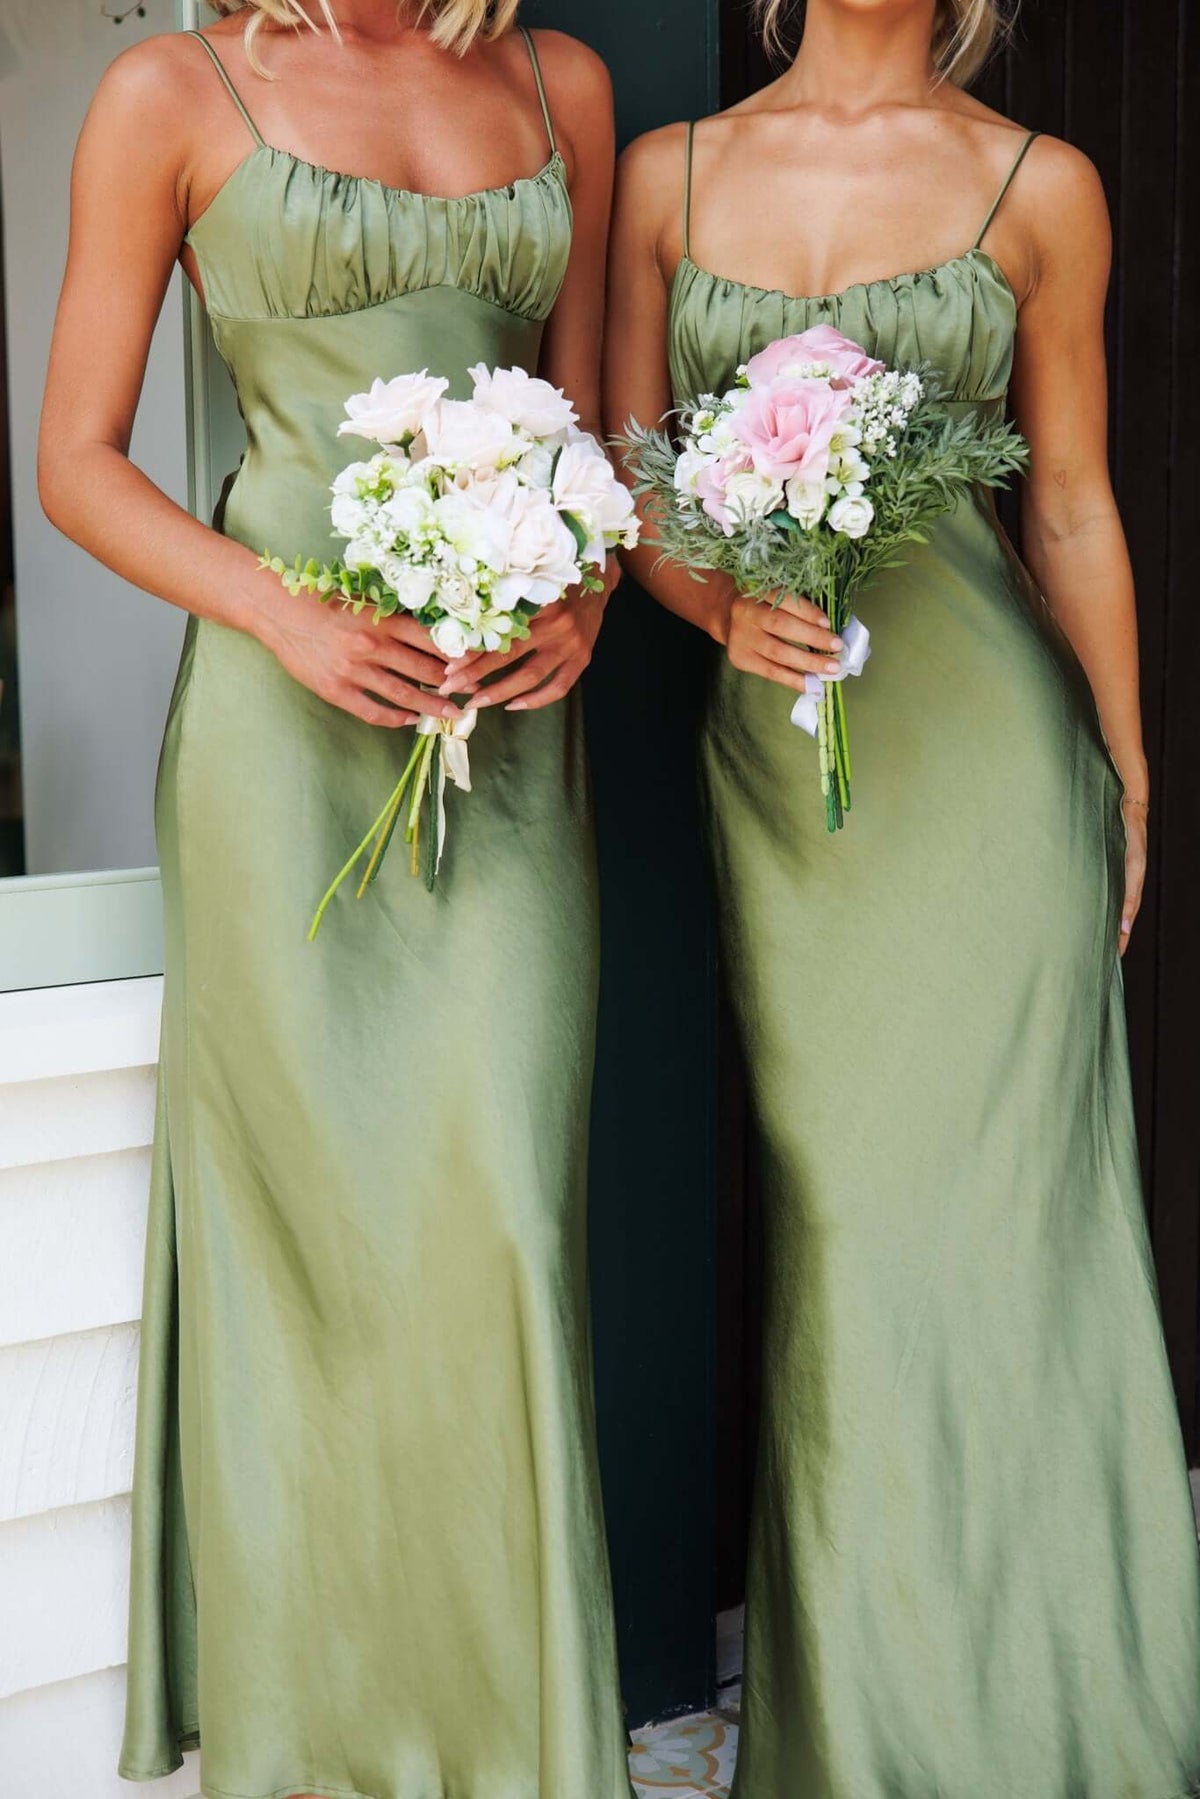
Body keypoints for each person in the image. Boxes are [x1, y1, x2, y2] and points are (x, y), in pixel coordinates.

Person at [606, 0, 1200, 1792]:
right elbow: (634, 484)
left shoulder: (1043, 181)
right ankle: (870, 1731)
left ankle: (1060, 1711)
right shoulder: (665, 172)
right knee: (856, 1238)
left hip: (993, 766)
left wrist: (1125, 754)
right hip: (793, 773)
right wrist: (722, 609)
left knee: (1014, 1234)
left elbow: (1074, 504)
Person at [39, 5, 632, 1796]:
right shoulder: (170, 90)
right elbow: (76, 461)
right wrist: (283, 611)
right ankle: (320, 1749)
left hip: (505, 734)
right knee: (315, 1261)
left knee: (502, 1223)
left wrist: (580, 601)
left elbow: (590, 428)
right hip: (278, 746)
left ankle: (507, 1740)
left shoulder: (561, 84)